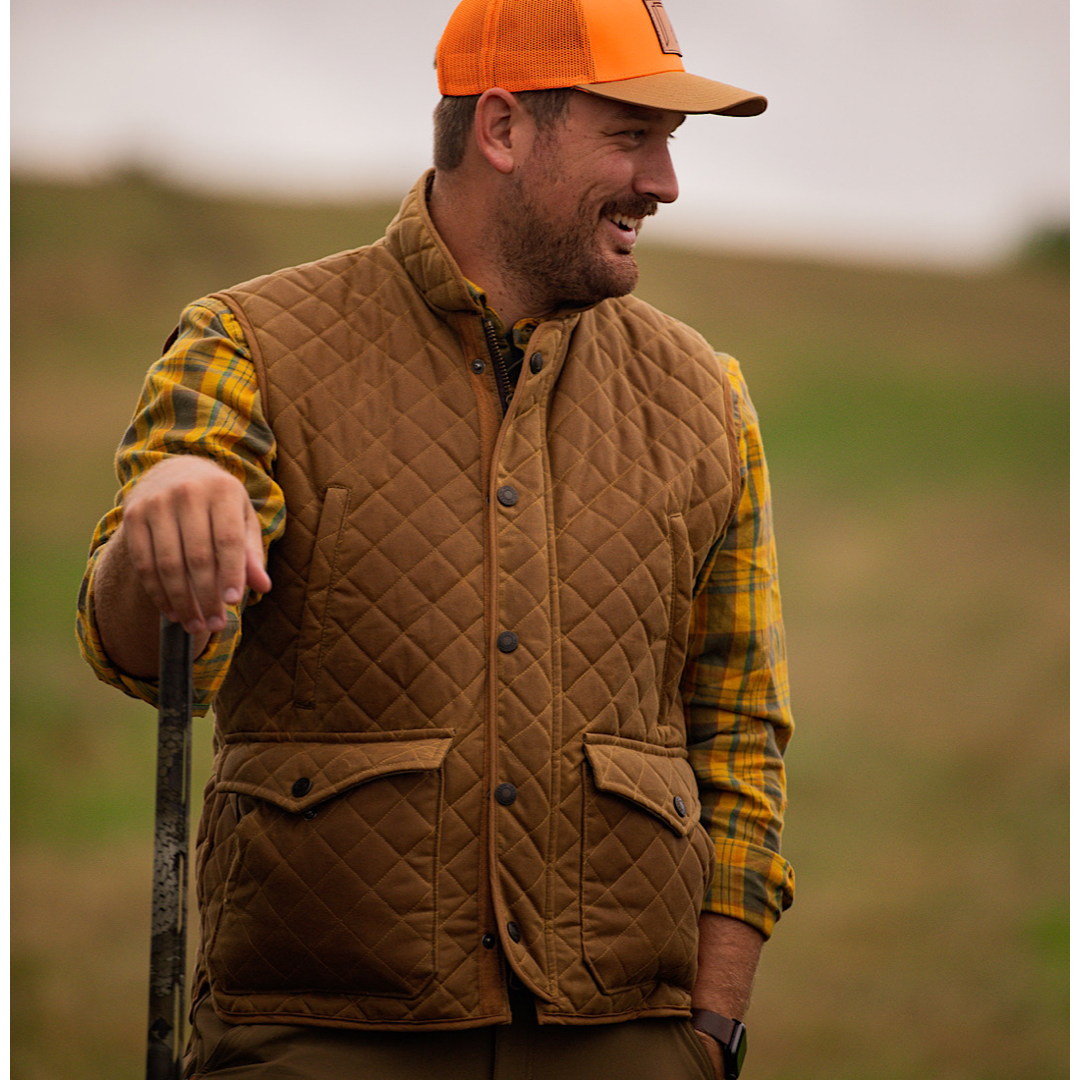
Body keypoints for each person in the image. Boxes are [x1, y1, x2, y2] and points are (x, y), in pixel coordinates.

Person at [77, 1, 794, 1077]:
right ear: (502, 130)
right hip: (321, 1038)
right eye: (630, 136)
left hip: (628, 1044)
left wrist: (710, 1033)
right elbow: (151, 659)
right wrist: (164, 522)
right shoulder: (245, 344)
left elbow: (740, 731)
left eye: (669, 144)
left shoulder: (708, 398)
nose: (665, 183)